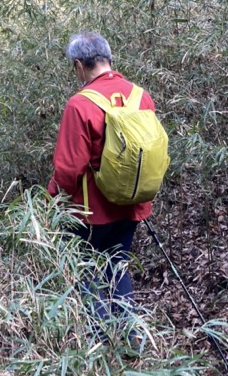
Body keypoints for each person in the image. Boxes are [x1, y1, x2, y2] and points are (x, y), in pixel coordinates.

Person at [48, 31, 158, 347]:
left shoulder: (80, 105)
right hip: (132, 206)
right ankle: (131, 339)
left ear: (80, 65)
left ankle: (100, 348)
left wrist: (50, 197)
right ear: (108, 58)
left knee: (90, 277)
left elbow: (69, 170)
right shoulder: (140, 96)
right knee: (118, 266)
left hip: (90, 214)